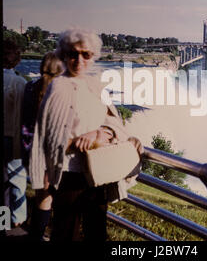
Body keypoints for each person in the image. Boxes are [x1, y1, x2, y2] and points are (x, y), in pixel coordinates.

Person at [29, 29, 143, 241]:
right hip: (68, 173)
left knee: (96, 232)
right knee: (65, 233)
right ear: (63, 55)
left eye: (86, 54)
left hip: (98, 172)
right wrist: (80, 142)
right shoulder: (58, 88)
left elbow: (116, 124)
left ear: (93, 57)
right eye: (73, 54)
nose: (79, 60)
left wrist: (102, 132)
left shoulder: (95, 86)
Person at [21, 51, 64, 241]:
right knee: (49, 200)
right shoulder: (57, 94)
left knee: (13, 189)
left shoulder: (29, 87)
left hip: (27, 149)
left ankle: (8, 223)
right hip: (49, 154)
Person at [3, 39, 27, 228]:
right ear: (17, 61)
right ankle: (16, 220)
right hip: (12, 137)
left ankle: (2, 224)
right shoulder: (20, 82)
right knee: (17, 180)